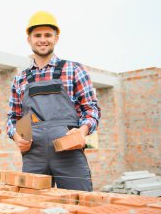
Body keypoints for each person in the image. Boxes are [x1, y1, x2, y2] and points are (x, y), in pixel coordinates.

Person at [6, 11, 101, 191]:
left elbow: (91, 109)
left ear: (56, 38)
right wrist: (16, 135)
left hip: (69, 153)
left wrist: (82, 132)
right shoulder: (20, 79)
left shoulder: (74, 70)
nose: (43, 40)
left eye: (48, 35)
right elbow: (14, 117)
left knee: (78, 207)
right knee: (33, 210)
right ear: (29, 40)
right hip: (33, 157)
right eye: (37, 35)